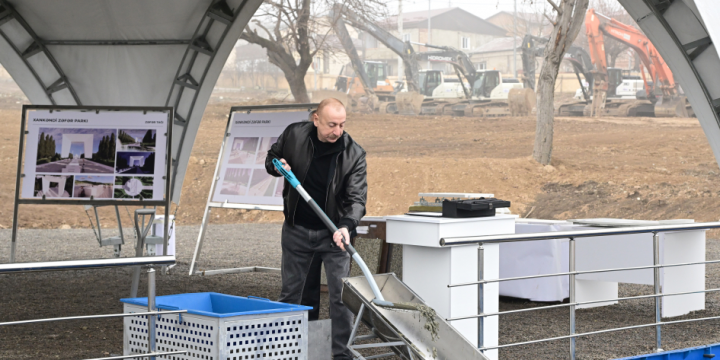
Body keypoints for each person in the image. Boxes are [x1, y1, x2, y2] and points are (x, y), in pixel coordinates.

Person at [265, 98, 367, 360]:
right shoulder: (294, 135)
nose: (338, 131)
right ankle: (295, 351)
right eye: (332, 124)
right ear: (316, 119)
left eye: (342, 124)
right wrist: (278, 167)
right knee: (295, 294)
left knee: (340, 297)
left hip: (335, 235)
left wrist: (346, 226)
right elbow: (272, 157)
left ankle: (339, 354)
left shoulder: (353, 154)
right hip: (297, 231)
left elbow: (357, 200)